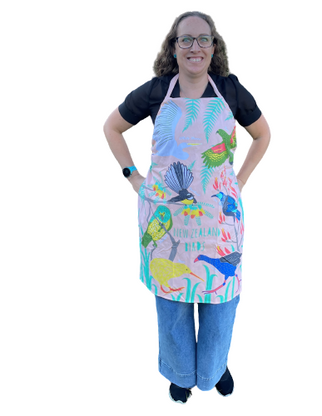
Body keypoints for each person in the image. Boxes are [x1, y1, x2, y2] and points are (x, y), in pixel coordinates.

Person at [103, 11, 270, 404]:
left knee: (221, 299)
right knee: (173, 301)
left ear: (214, 47)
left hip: (219, 218)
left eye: (203, 39)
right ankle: (180, 373)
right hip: (167, 217)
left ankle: (215, 366)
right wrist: (133, 176)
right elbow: (112, 126)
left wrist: (240, 181)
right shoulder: (156, 91)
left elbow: (262, 135)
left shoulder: (230, 91)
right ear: (173, 48)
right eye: (186, 40)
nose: (195, 47)